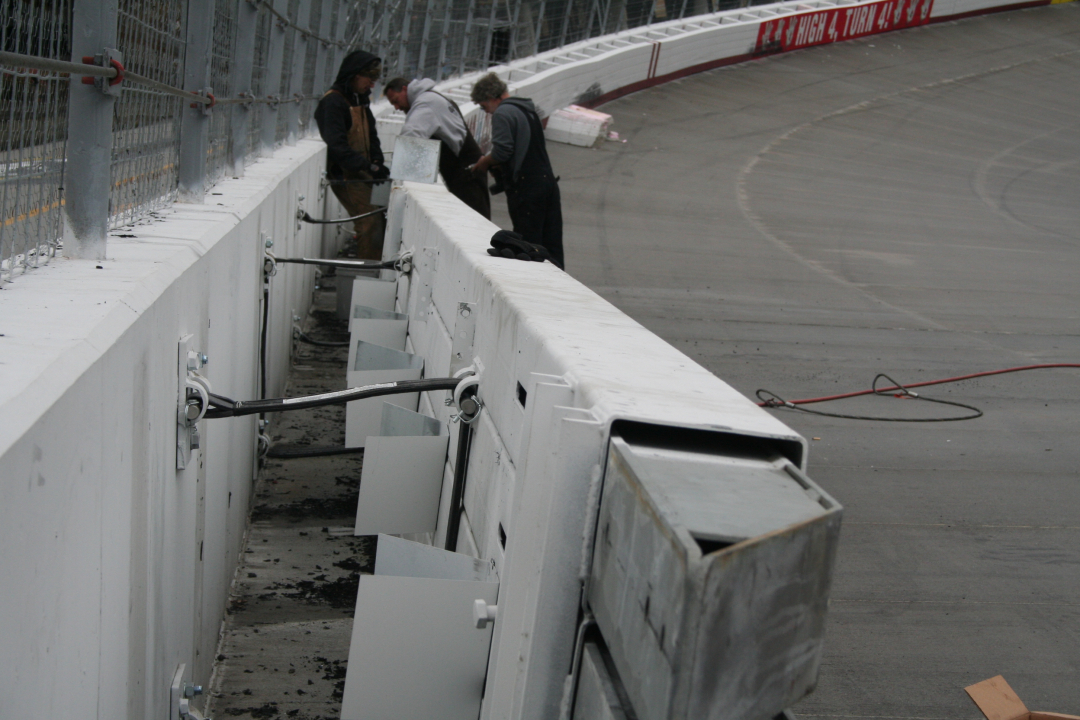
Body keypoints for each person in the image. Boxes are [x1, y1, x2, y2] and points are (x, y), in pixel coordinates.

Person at [469, 73, 564, 269]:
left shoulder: (503, 113)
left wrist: (485, 162)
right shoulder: (528, 110)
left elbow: (503, 151)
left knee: (528, 246)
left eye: (484, 106)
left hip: (527, 188)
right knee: (552, 244)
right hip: (548, 184)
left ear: (491, 97)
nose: (487, 112)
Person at [314, 51, 389, 260]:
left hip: (363, 171)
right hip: (346, 175)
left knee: (377, 221)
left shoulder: (359, 98)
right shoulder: (333, 103)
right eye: (369, 79)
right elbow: (337, 146)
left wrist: (376, 161)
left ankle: (372, 269)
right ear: (355, 75)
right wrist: (368, 166)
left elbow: (372, 134)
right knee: (369, 224)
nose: (372, 85)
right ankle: (368, 272)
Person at [384, 77, 491, 219]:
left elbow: (411, 136)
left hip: (467, 173)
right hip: (467, 170)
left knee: (474, 220)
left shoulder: (425, 103)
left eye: (396, 101)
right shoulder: (432, 97)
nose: (397, 108)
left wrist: (397, 178)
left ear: (405, 89)